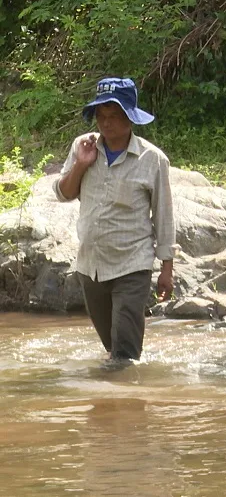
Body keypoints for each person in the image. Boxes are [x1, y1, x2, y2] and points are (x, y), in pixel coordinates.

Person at [53, 78, 177, 361]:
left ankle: (124, 399)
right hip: (91, 266)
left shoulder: (152, 159)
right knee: (113, 348)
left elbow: (164, 216)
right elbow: (64, 193)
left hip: (132, 265)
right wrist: (81, 164)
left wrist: (166, 269)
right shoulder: (83, 147)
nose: (106, 124)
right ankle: (118, 397)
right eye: (101, 116)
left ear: (130, 118)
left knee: (124, 355)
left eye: (114, 116)